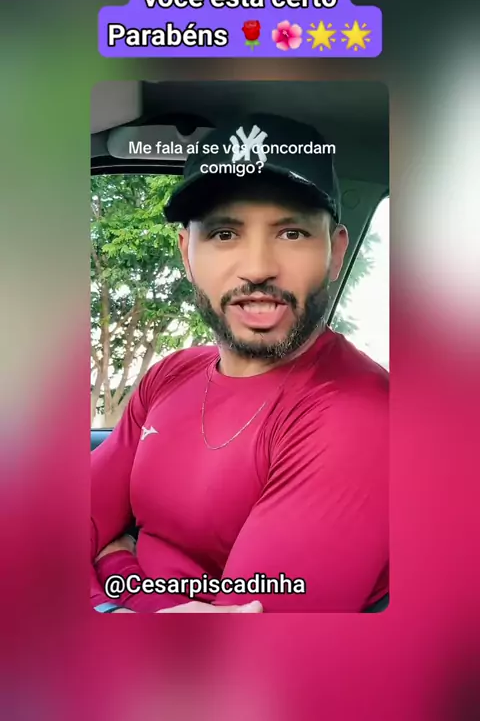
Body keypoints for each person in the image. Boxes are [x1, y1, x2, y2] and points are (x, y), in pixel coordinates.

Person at [91, 114, 388, 614]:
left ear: (335, 253)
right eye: (224, 233)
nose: (257, 268)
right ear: (187, 253)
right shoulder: (173, 373)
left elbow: (238, 645)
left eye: (292, 233)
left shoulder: (358, 415)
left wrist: (115, 573)